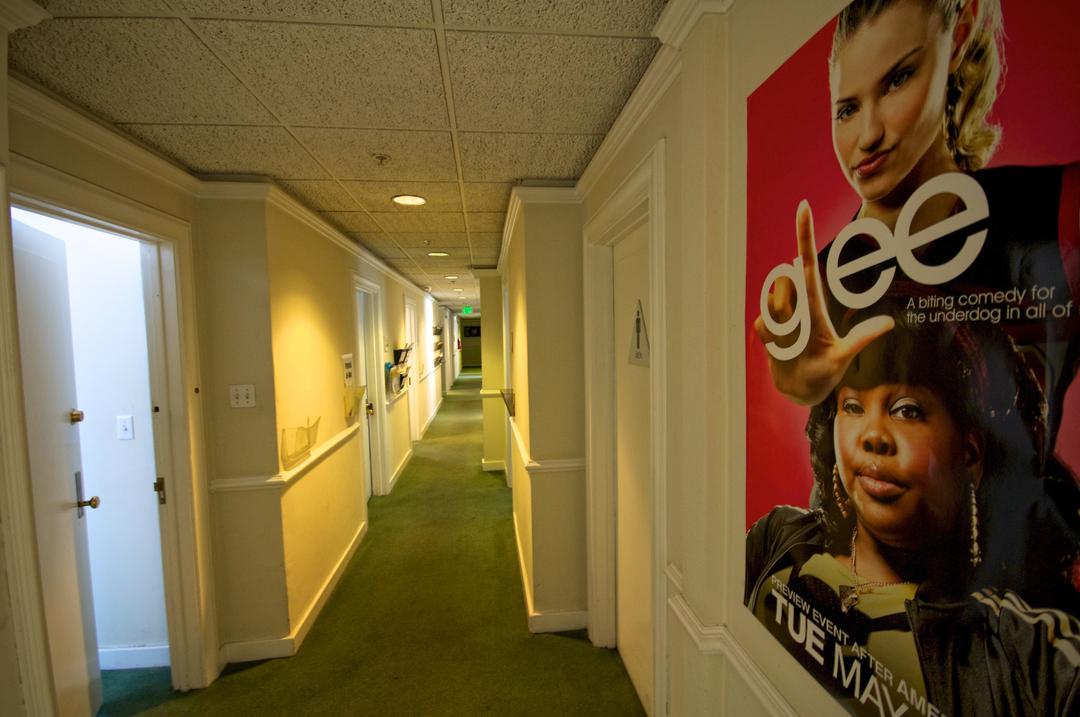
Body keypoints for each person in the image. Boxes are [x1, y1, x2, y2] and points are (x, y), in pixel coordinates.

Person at [753, 0, 1080, 475]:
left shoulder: (1057, 211)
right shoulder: (817, 285)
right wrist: (798, 388)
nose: (868, 134)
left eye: (898, 79)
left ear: (958, 37)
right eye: (846, 109)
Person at [745, 294, 1080, 715]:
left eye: (907, 410)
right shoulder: (777, 536)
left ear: (970, 454)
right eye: (852, 406)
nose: (872, 436)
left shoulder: (1022, 654)